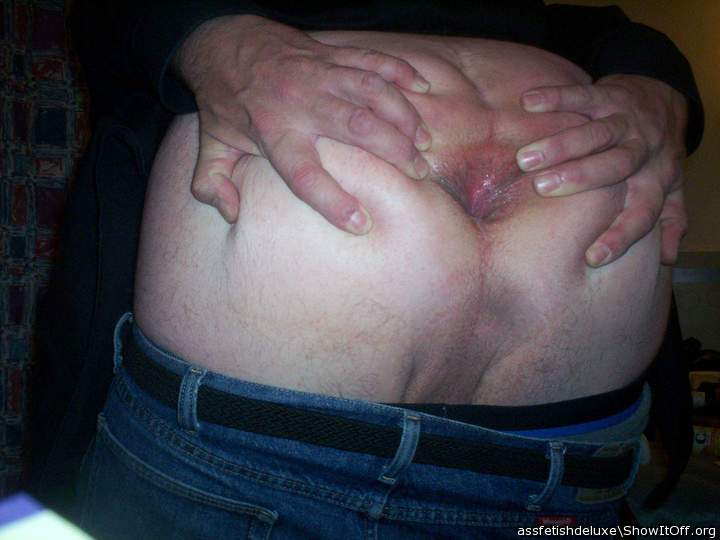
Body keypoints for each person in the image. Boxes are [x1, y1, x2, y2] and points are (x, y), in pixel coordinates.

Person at [26, 0, 703, 532]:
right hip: (241, 464)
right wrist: (217, 42)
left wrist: (660, 87)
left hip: (570, 479)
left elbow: (611, 30)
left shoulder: (547, 26)